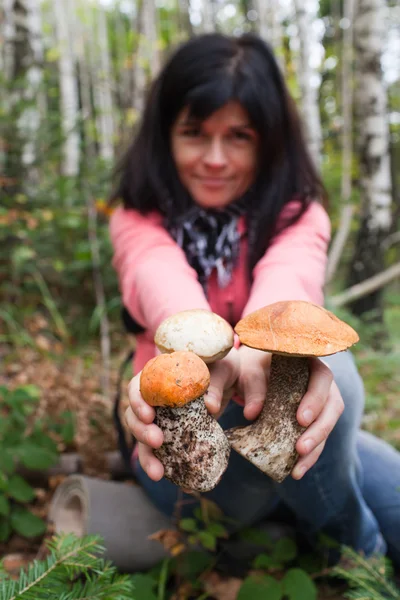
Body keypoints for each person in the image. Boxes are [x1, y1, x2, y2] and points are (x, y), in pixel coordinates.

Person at [109, 33, 400, 569]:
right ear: (164, 134)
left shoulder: (298, 212)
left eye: (238, 136)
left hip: (275, 417)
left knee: (384, 473)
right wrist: (206, 356)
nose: (215, 159)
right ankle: (364, 563)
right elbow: (158, 276)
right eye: (194, 133)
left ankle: (314, 517)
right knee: (346, 435)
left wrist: (262, 355)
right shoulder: (137, 217)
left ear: (268, 141)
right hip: (184, 443)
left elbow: (290, 278)